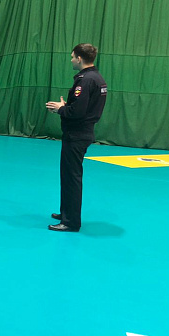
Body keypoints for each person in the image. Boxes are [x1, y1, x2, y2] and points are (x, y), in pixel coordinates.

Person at [46, 43, 107, 232]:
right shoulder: (96, 78)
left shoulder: (86, 80)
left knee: (72, 178)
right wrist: (67, 106)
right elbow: (83, 107)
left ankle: (70, 221)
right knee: (68, 176)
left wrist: (60, 109)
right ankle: (66, 212)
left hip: (77, 134)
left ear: (79, 58)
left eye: (73, 57)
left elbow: (78, 112)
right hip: (81, 133)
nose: (71, 60)